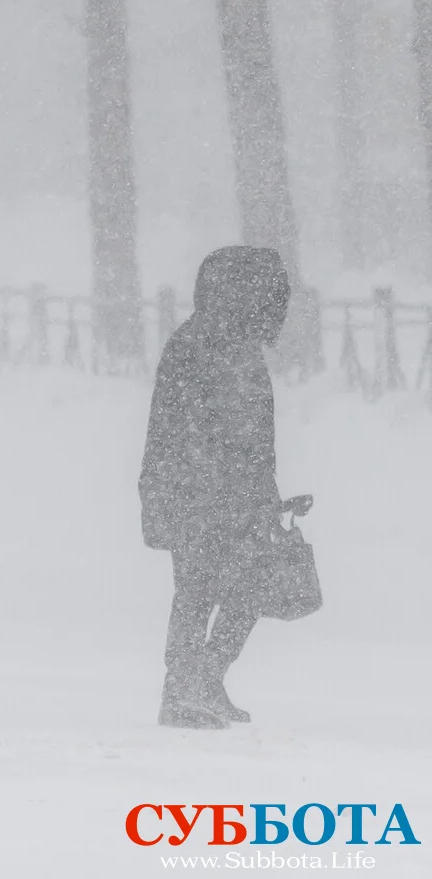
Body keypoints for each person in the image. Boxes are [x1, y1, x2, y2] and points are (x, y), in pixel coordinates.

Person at [139, 246, 293, 729]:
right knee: (197, 590)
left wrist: (266, 496)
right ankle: (179, 691)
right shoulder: (196, 347)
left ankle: (205, 679)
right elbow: (180, 431)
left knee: (248, 588)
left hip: (233, 496)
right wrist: (206, 490)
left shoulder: (239, 349)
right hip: (194, 494)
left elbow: (255, 437)